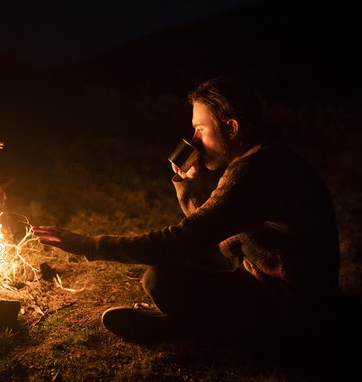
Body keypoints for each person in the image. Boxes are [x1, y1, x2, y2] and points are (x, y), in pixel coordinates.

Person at [33, 75, 340, 344]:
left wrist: (87, 245)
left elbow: (180, 239)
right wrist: (189, 191)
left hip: (289, 310)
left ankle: (198, 327)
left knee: (161, 278)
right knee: (188, 257)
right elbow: (211, 232)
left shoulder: (254, 172)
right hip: (270, 281)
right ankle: (194, 322)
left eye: (200, 129)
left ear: (231, 128)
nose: (193, 140)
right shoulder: (262, 159)